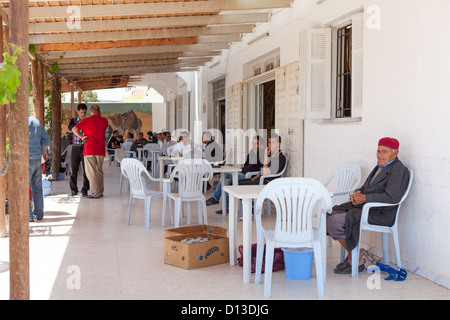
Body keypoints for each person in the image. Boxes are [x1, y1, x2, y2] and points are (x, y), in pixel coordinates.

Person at [326, 137, 410, 275]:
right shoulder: (380, 166)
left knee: (334, 221)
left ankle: (355, 257)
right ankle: (353, 255)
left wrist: (364, 198)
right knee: (328, 213)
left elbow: (392, 197)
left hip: (380, 213)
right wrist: (358, 193)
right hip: (367, 207)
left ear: (395, 153)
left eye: (384, 151)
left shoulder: (399, 170)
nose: (380, 155)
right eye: (378, 151)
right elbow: (368, 187)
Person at [206, 135, 265, 214]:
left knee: (225, 174)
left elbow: (262, 170)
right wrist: (241, 171)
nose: (253, 146)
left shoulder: (263, 155)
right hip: (243, 173)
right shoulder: (251, 152)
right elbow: (245, 165)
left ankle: (215, 198)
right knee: (226, 181)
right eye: (253, 143)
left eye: (256, 144)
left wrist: (246, 173)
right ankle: (227, 208)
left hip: (248, 177)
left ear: (261, 145)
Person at [72, 104, 109, 199]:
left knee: (90, 172)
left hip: (90, 149)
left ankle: (95, 192)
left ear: (91, 112)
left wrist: (82, 137)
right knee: (99, 170)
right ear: (100, 111)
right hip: (100, 149)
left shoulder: (87, 120)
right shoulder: (105, 121)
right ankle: (100, 191)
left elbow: (74, 129)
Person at [28, 117, 51, 221]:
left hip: (25, 159)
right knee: (37, 187)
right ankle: (38, 213)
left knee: (25, 188)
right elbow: (47, 140)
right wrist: (39, 151)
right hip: (37, 159)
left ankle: (28, 215)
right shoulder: (36, 122)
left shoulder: (17, 121)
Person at [67, 103, 90, 197]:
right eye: (81, 112)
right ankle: (73, 189)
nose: (83, 114)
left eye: (84, 112)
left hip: (86, 147)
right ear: (77, 112)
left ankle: (85, 190)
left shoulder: (88, 121)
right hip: (75, 147)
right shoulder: (73, 120)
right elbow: (71, 128)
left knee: (86, 171)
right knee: (73, 170)